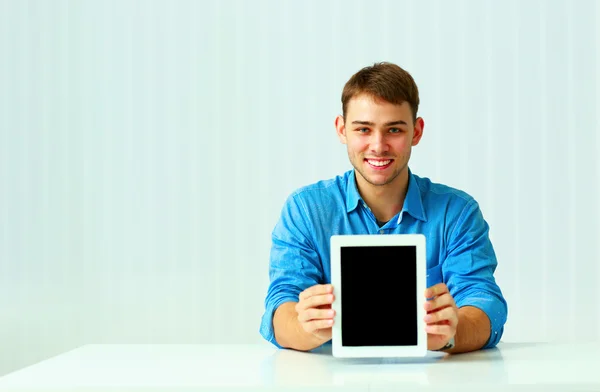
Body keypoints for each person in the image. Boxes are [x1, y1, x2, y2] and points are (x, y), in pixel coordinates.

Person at [259, 62, 507, 353]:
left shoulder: (457, 212)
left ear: (416, 131)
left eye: (394, 130)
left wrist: (451, 335)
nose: (378, 145)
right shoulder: (306, 210)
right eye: (363, 129)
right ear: (342, 130)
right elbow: (280, 306)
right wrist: (306, 328)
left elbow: (483, 303)